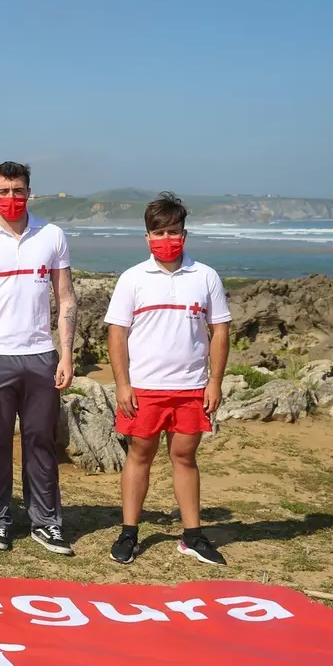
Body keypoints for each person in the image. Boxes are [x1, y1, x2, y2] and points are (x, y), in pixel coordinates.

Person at [0, 161, 78, 556]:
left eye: (18, 190)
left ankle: (46, 523)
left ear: (29, 193)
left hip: (41, 356)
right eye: (4, 191)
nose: (11, 198)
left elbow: (66, 299)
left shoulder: (52, 235)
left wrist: (67, 356)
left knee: (42, 441)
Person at [104, 192, 231, 566]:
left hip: (191, 389)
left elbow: (220, 332)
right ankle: (129, 532)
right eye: (158, 233)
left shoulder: (205, 276)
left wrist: (214, 382)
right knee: (139, 456)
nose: (166, 239)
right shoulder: (132, 278)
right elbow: (117, 334)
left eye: (172, 231)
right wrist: (123, 384)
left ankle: (192, 536)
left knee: (185, 457)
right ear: (147, 237)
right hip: (143, 389)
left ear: (184, 234)